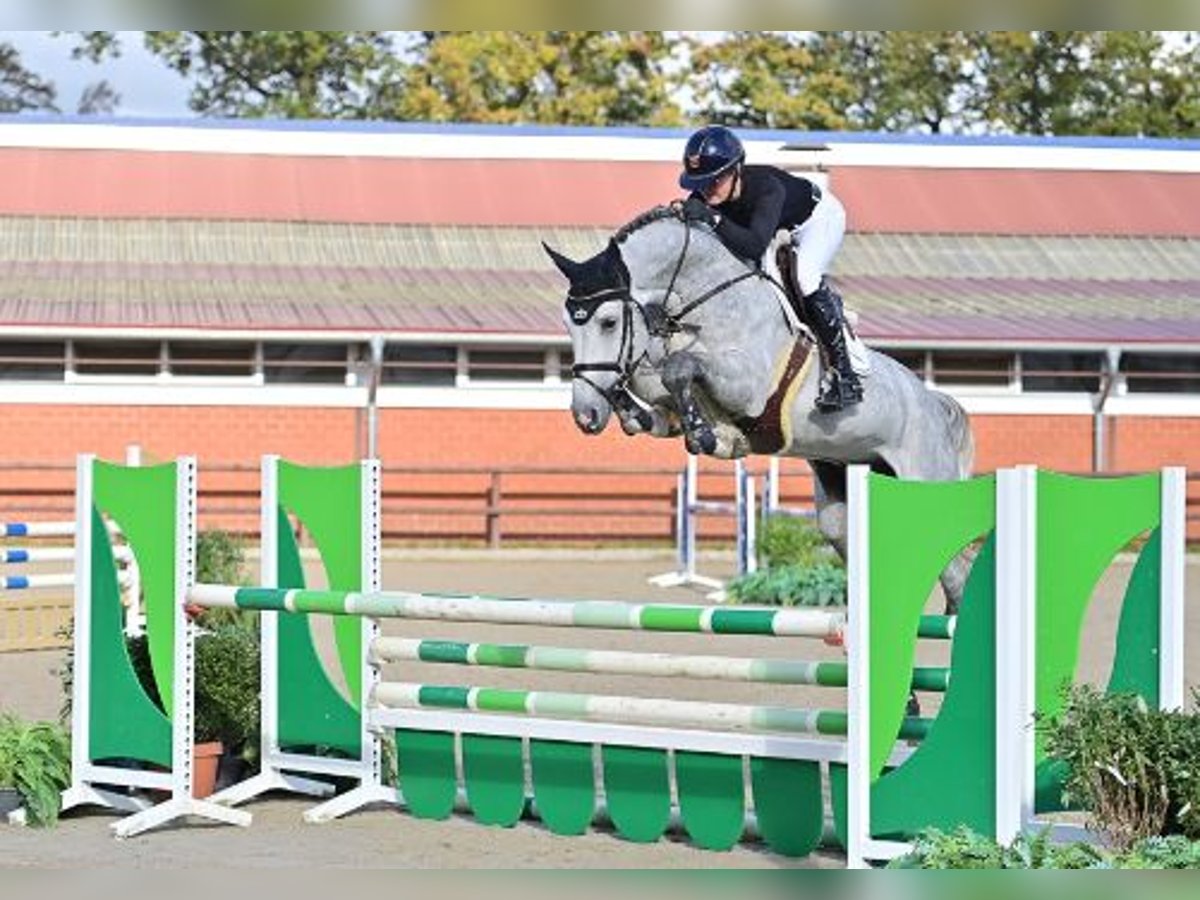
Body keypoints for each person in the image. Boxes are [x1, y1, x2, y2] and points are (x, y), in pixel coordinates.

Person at [677, 124, 862, 412]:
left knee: (805, 277)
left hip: (817, 221)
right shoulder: (706, 196)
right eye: (699, 182)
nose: (706, 189)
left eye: (714, 180)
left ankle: (845, 376)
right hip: (774, 228)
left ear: (736, 169)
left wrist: (713, 220)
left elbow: (752, 245)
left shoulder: (767, 188)